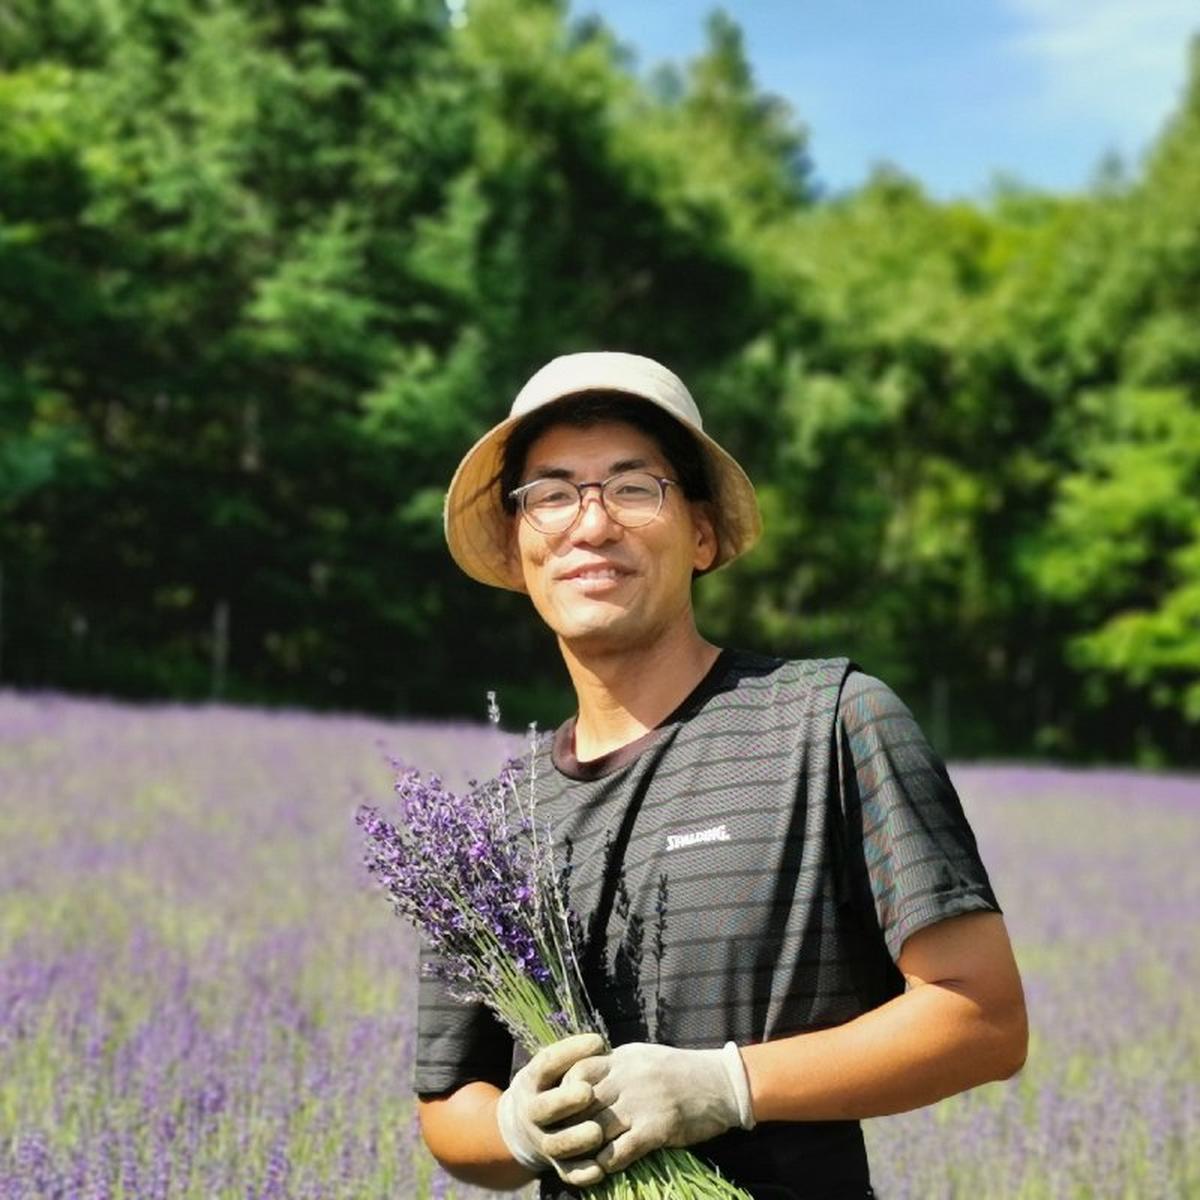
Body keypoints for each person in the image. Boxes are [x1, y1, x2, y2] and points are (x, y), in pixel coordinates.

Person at [416, 351, 1028, 1199]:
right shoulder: (486, 828)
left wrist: (727, 1087)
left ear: (702, 533)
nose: (591, 526)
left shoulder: (829, 723)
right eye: (552, 495)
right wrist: (516, 1127)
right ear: (520, 549)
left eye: (634, 489)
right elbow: (449, 1105)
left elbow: (984, 1018)